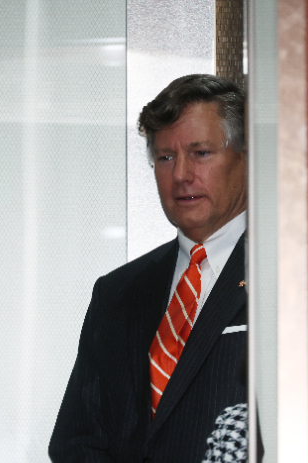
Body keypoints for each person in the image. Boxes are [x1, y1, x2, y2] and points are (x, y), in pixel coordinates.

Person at [49, 74, 249, 462]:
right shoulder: (116, 294)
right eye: (165, 157)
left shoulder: (286, 278)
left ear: (245, 157)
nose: (181, 175)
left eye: (200, 153)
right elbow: (76, 443)